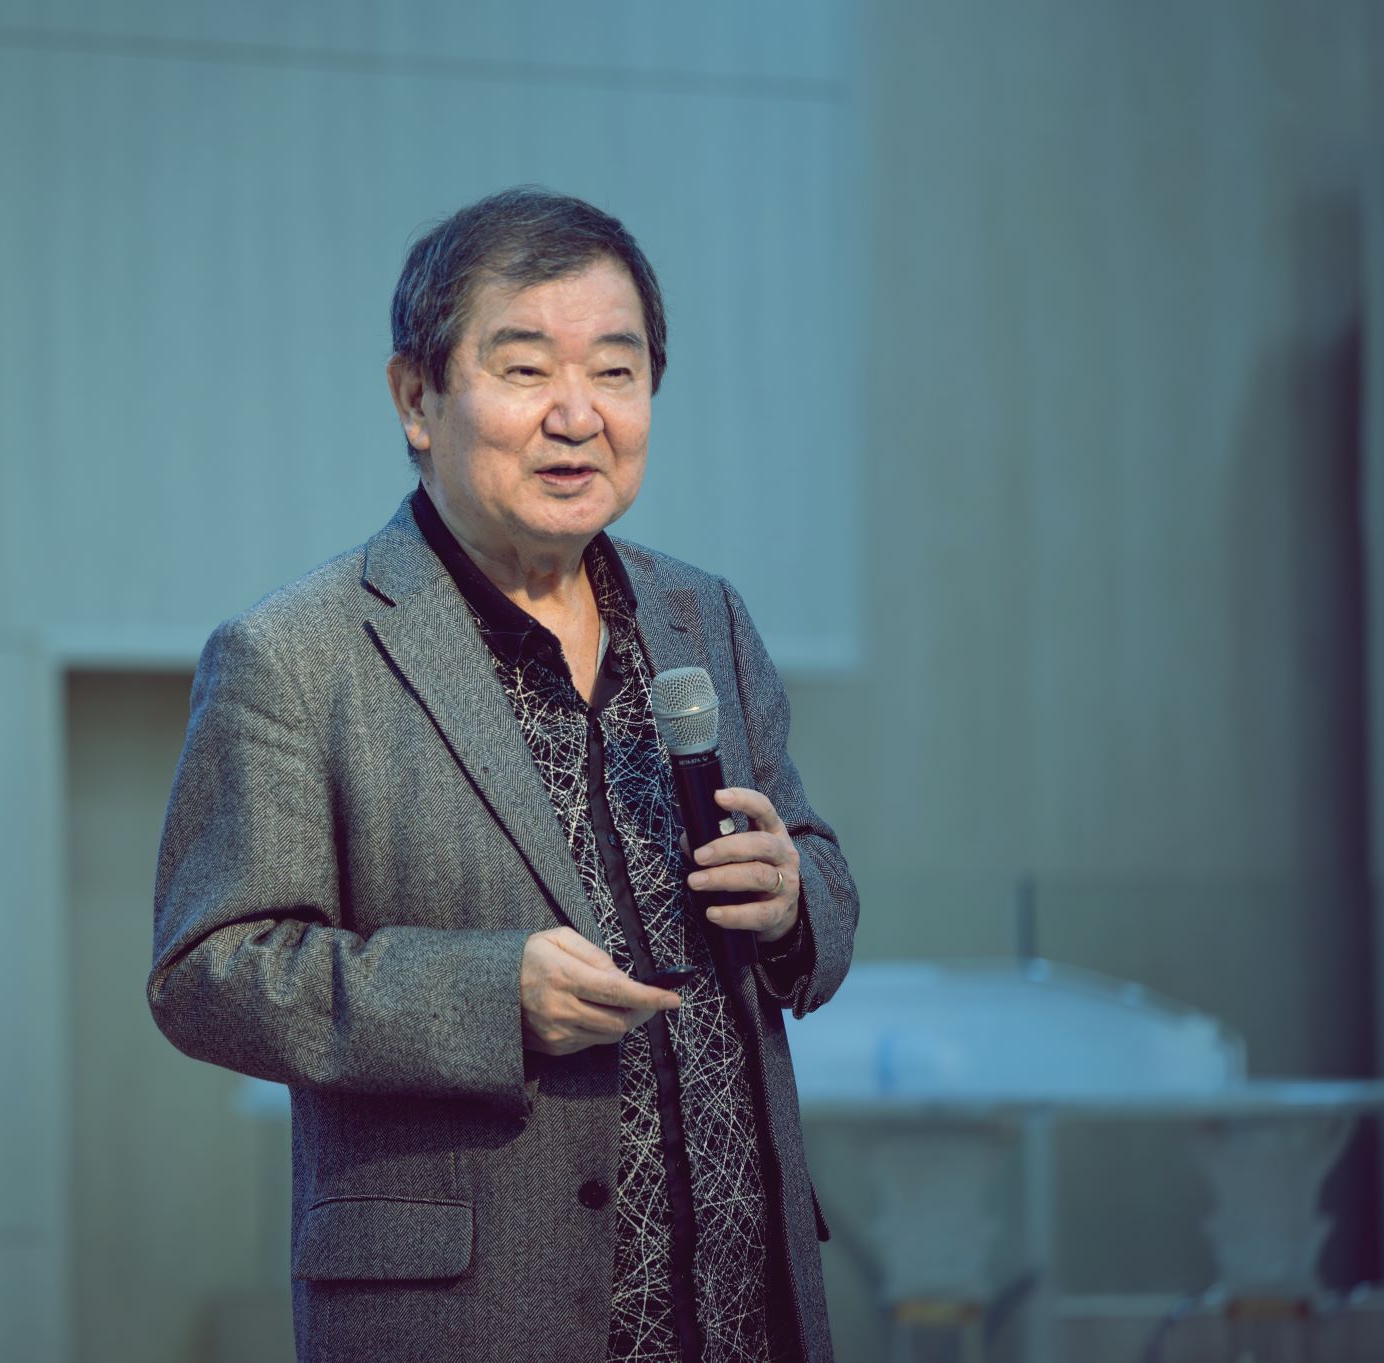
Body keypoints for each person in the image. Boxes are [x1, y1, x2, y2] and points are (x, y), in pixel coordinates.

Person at [149, 187, 858, 1363]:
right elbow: (207, 972)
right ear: (415, 398)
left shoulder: (703, 616)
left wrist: (792, 899)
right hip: (475, 1315)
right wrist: (489, 996)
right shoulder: (297, 653)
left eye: (616, 372)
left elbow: (816, 863)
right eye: (524, 369)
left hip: (740, 1305)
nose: (577, 415)